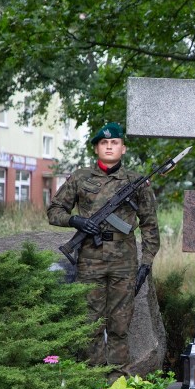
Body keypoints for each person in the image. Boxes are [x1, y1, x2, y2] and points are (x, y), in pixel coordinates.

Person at [47, 122, 160, 372]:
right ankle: (91, 382)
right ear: (96, 148)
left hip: (124, 262)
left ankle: (117, 383)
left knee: (120, 325)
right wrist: (75, 220)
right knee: (90, 324)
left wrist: (147, 262)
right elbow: (54, 211)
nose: (109, 147)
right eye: (104, 143)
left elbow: (150, 225)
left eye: (115, 143)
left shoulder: (136, 182)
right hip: (89, 260)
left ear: (123, 148)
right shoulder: (80, 178)